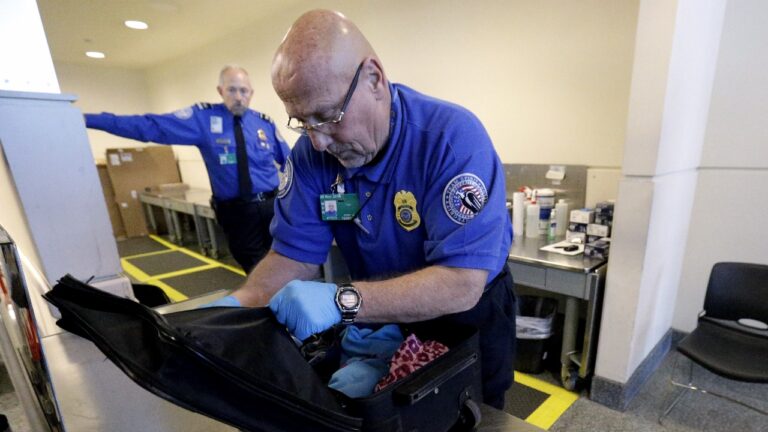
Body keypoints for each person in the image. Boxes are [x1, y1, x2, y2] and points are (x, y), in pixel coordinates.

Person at [217, 10, 516, 408]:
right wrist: (236, 307)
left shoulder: (451, 139)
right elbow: (291, 254)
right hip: (380, 310)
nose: (318, 141)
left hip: (465, 317)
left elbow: (461, 282)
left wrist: (341, 302)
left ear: (374, 79)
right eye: (302, 122)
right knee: (385, 411)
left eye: (327, 117)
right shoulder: (310, 156)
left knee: (466, 412)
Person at [85, 66, 290, 272]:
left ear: (251, 93)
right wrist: (89, 120)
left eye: (244, 91)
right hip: (237, 211)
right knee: (254, 266)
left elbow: (290, 162)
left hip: (272, 206)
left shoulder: (263, 123)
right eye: (232, 90)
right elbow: (150, 126)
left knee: (283, 259)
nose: (238, 97)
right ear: (220, 91)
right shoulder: (203, 119)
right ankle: (270, 300)